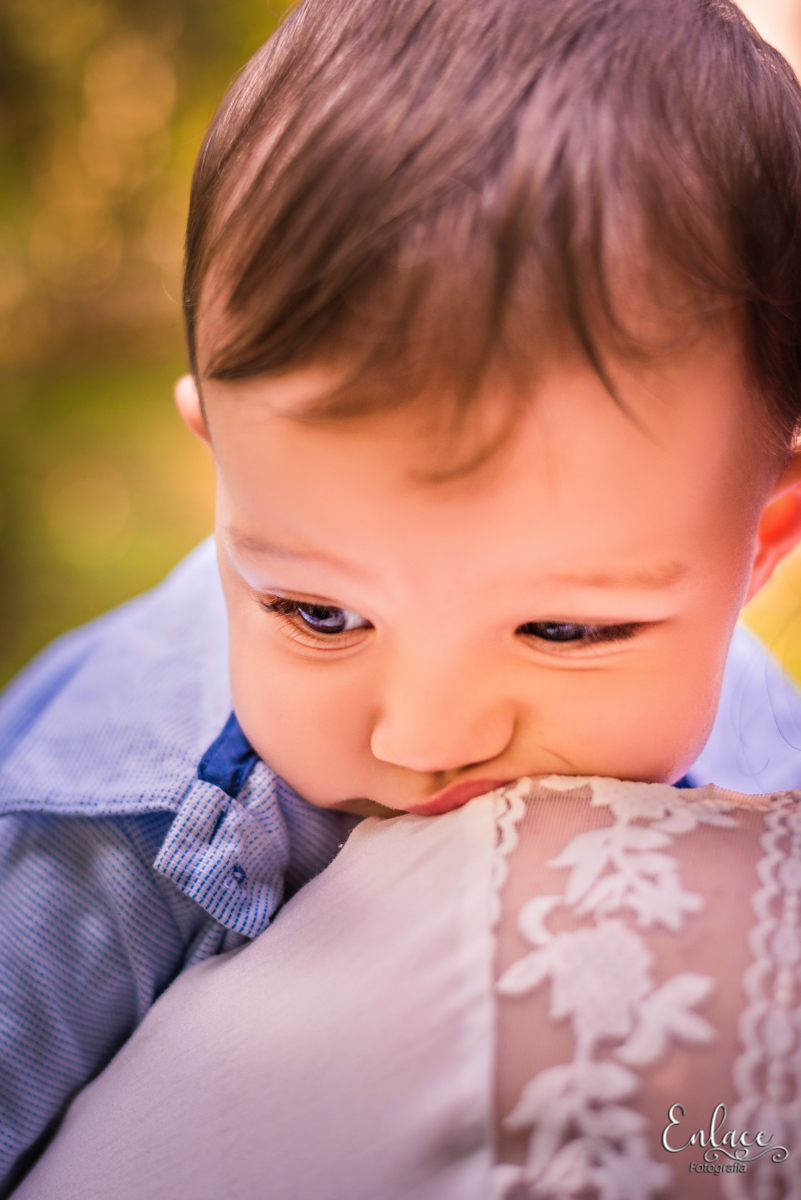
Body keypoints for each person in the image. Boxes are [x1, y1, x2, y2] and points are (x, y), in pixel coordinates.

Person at [3, 0, 801, 1190]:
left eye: (566, 628)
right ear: (220, 462)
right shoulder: (91, 843)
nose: (425, 735)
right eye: (317, 613)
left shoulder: (769, 745)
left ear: (763, 541)